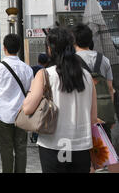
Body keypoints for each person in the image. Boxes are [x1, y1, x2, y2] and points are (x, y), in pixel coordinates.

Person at [22, 27, 97, 173]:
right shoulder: (87, 76)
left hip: (53, 145)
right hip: (81, 146)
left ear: (50, 49)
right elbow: (93, 117)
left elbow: (27, 108)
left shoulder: (45, 75)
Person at [0, 34, 33, 173]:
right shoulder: (27, 69)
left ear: (4, 48)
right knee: (21, 148)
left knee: (6, 149)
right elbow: (32, 91)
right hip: (22, 115)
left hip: (3, 115)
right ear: (18, 48)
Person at [72, 24, 116, 139]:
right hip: (102, 113)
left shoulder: (71, 62)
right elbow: (110, 89)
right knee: (104, 148)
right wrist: (109, 114)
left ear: (74, 41)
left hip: (80, 113)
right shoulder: (104, 60)